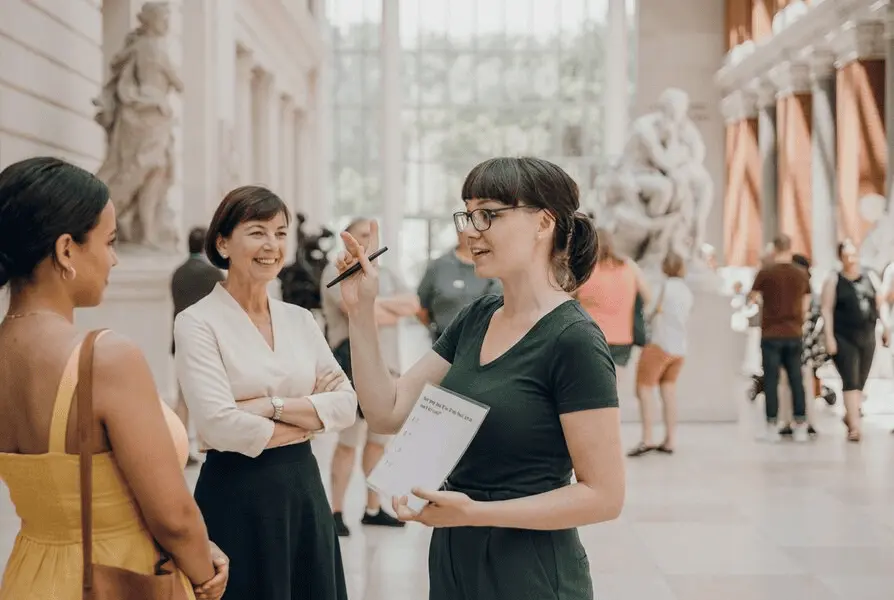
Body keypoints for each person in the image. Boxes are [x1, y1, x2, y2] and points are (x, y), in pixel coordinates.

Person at [335, 157, 625, 600]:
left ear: (543, 222)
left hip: (529, 568)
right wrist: (360, 312)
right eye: (468, 214)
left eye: (488, 214)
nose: (471, 229)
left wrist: (478, 512)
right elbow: (386, 411)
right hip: (455, 554)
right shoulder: (477, 317)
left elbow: (604, 496)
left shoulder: (574, 340)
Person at [0, 157, 227, 600]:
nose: (115, 259)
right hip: (118, 578)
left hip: (28, 574)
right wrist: (206, 576)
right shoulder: (104, 358)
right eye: (109, 242)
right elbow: (174, 517)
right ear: (66, 250)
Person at [174, 186, 357, 599]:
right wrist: (309, 420)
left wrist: (267, 406)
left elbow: (346, 404)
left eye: (280, 232)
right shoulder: (197, 322)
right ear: (223, 242)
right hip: (237, 496)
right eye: (257, 232)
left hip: (305, 493)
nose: (271, 245)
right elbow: (219, 426)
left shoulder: (299, 320)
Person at [320, 217, 420, 536]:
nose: (367, 241)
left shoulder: (385, 272)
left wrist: (377, 303)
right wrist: (379, 308)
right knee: (348, 443)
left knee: (379, 443)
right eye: (361, 235)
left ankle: (373, 508)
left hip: (387, 371)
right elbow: (361, 311)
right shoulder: (335, 270)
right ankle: (335, 511)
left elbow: (413, 304)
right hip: (351, 368)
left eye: (370, 236)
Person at [821, 240, 890, 442]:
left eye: (854, 254)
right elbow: (826, 309)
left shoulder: (870, 277)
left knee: (861, 380)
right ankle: (855, 427)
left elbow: (880, 304)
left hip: (867, 335)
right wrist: (829, 337)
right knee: (850, 379)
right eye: (847, 255)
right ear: (840, 257)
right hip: (843, 337)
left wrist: (886, 327)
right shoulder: (834, 280)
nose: (851, 259)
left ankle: (850, 414)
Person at [748, 234, 812, 442]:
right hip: (794, 332)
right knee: (796, 379)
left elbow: (752, 298)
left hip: (771, 333)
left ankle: (772, 425)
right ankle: (801, 423)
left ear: (774, 248)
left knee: (772, 380)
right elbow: (806, 302)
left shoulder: (766, 272)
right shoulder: (801, 274)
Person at [627, 251, 692, 456]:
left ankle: (647, 438)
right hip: (679, 348)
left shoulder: (663, 288)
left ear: (665, 267)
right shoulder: (687, 291)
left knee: (644, 391)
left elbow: (649, 309)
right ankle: (670, 439)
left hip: (659, 344)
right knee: (669, 392)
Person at [170, 226, 224, 463]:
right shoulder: (214, 275)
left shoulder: (178, 273)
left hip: (181, 340)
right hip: (206, 343)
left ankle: (179, 449)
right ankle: (209, 447)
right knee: (209, 397)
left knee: (183, 399)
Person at [574, 228, 652, 368]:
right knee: (613, 386)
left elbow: (566, 296)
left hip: (589, 337)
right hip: (622, 339)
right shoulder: (629, 267)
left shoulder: (586, 270)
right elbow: (648, 297)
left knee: (586, 385)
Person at [417, 228, 502, 342]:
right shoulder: (438, 266)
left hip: (483, 340)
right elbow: (421, 308)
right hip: (444, 339)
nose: (475, 235)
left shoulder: (495, 265)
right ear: (458, 233)